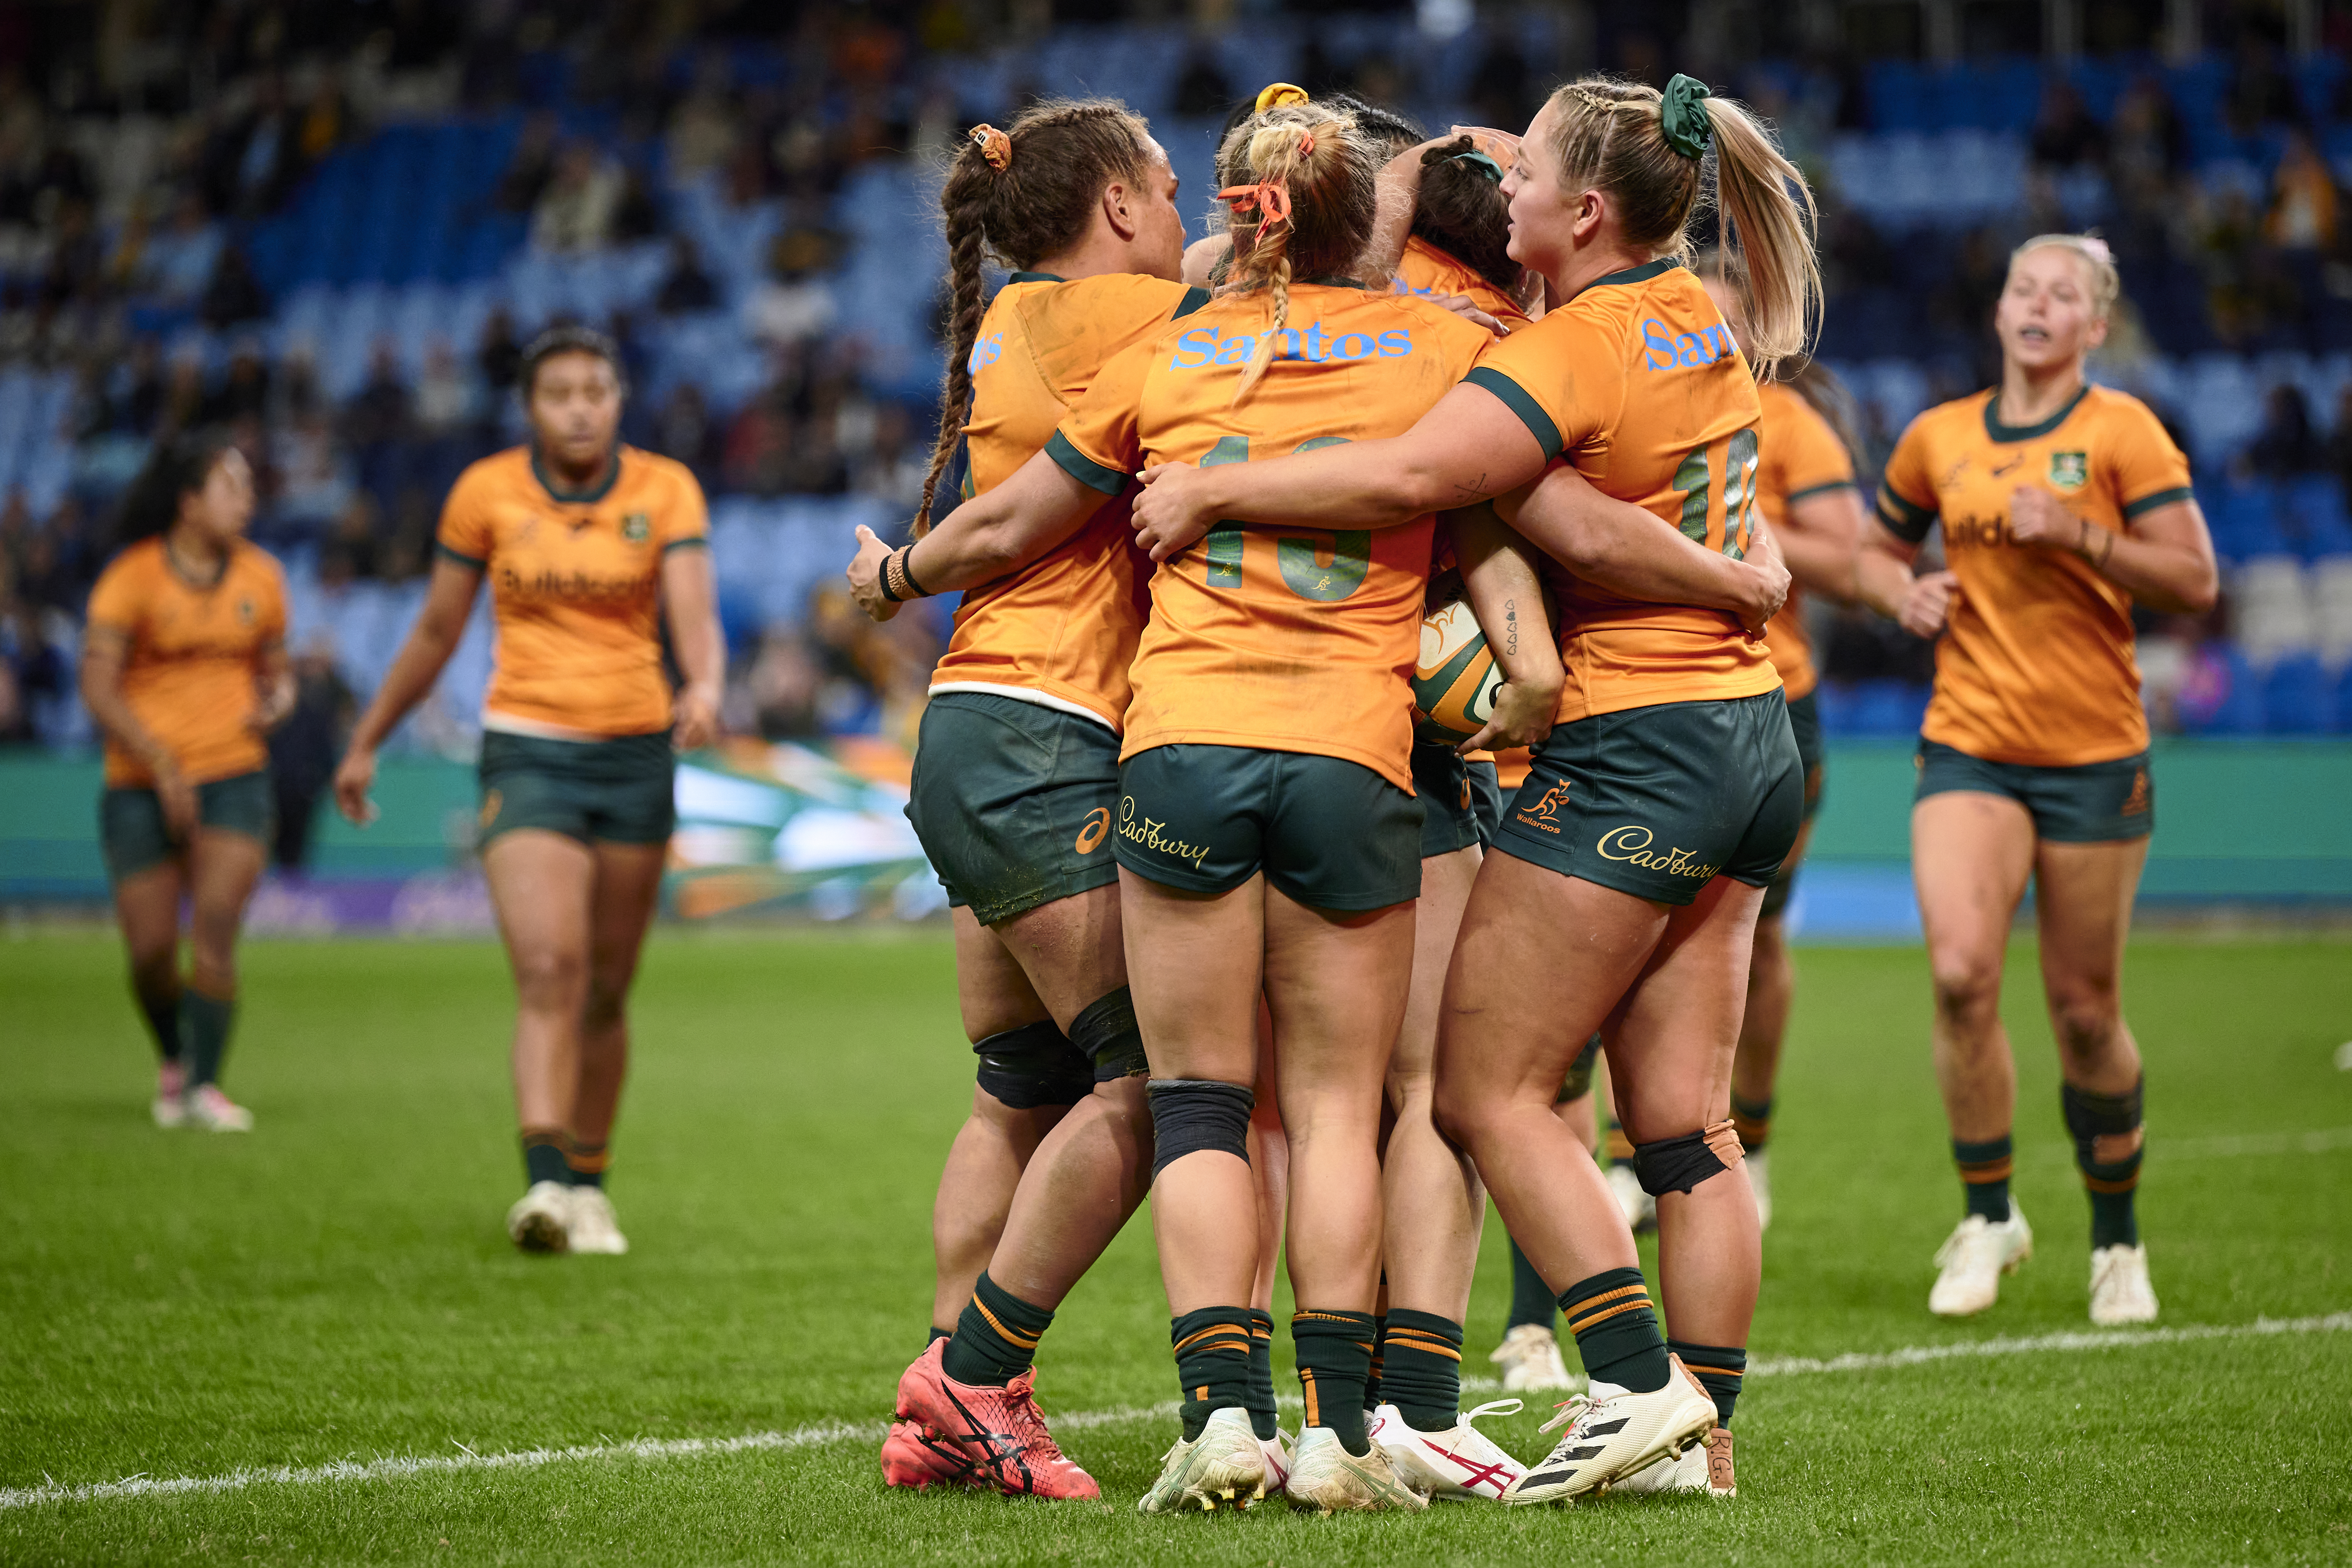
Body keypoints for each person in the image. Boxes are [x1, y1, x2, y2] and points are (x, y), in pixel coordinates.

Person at [1127, 72, 1817, 1502]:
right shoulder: (1697, 317)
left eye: (1527, 170)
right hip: (1751, 734)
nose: (1501, 187)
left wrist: (1212, 489)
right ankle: (1706, 1444)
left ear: (1586, 209)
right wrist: (1743, 582)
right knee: (1687, 1126)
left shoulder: (1556, 353)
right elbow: (1560, 513)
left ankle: (1633, 1386)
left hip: (1634, 739)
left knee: (1485, 1089)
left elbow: (1423, 480)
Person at [842, 101, 1206, 1503]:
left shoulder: (1025, 315)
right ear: (1117, 207)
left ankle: (941, 1395)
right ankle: (977, 1374)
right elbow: (1272, 282)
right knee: (1159, 1080)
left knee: (1018, 1089)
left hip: (983, 724)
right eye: (1171, 189)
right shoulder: (1123, 309)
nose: (1188, 215)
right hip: (1050, 732)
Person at [1853, 234, 2216, 1326]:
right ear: (1999, 305)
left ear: (2094, 328)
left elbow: (2194, 577)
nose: (2037, 304)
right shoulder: (1937, 435)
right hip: (1967, 741)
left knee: (2084, 1012)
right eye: (2022, 286)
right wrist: (1895, 595)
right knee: (1962, 974)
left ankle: (2116, 1242)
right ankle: (1987, 1211)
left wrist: (2083, 537)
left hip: (2094, 752)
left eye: (2064, 295)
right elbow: (1877, 550)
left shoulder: (2122, 433)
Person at [331, 326, 722, 1257]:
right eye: (560, 393)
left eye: (596, 388)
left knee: (607, 990)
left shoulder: (666, 489)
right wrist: (366, 740)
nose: (580, 406)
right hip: (527, 751)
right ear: (530, 407)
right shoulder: (485, 493)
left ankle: (590, 1185)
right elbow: (434, 631)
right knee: (551, 967)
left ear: (620, 397)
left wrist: (704, 686)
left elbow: (694, 615)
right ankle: (546, 1187)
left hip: (636, 755)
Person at [1697, 250, 1870, 1231]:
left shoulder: (1789, 426)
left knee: (1756, 938)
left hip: (1774, 699)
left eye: (1728, 327)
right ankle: (1642, 1151)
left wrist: (1748, 519)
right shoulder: (1640, 408)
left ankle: (1747, 1145)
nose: (1711, 345)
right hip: (1653, 704)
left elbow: (1846, 559)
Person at [80, 433, 291, 1133]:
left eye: (247, 486)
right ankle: (174, 1054)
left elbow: (277, 670)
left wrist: (278, 700)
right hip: (139, 780)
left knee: (218, 923)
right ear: (189, 502)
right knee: (148, 954)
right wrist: (161, 762)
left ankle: (205, 1086)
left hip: (235, 771)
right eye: (230, 486)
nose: (247, 498)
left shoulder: (263, 577)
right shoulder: (133, 578)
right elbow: (99, 686)